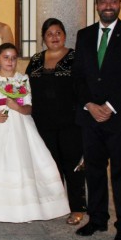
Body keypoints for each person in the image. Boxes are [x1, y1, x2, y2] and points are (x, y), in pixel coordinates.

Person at [72, 0, 121, 240]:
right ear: (96, 5)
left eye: (113, 0)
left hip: (119, 117)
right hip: (90, 116)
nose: (108, 5)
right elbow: (78, 77)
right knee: (94, 170)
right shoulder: (84, 35)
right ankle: (97, 219)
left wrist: (110, 106)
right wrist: (89, 103)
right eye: (103, 1)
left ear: (120, 4)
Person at [0, 43, 69, 223]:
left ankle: (29, 204)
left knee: (24, 161)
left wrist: (17, 106)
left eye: (13, 58)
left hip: (22, 126)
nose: (10, 62)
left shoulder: (23, 79)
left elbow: (29, 108)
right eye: (6, 57)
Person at [26, 18, 87, 226]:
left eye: (58, 32)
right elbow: (26, 89)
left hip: (70, 120)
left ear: (64, 35)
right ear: (43, 37)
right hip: (42, 120)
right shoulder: (35, 60)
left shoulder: (75, 57)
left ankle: (77, 207)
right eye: (50, 33)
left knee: (73, 164)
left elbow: (82, 87)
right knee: (50, 164)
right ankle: (54, 205)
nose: (54, 37)